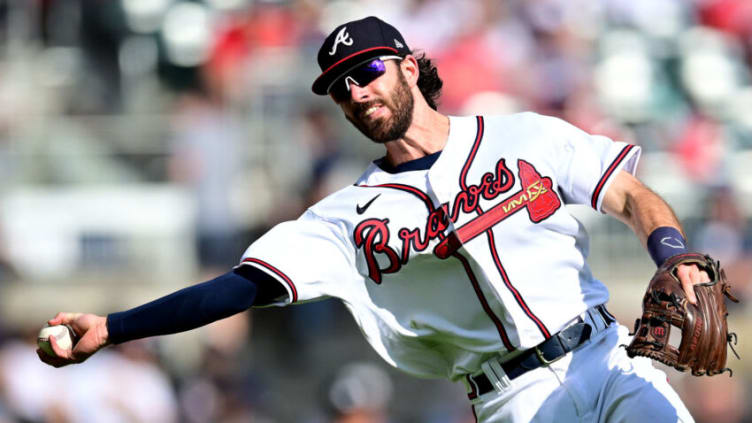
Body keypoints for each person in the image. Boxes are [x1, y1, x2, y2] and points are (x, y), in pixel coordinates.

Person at [38, 16, 707, 422]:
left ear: (411, 67)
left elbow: (627, 194)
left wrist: (672, 254)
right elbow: (237, 287)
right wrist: (115, 327)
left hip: (604, 353)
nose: (356, 90)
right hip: (513, 399)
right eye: (341, 85)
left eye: (369, 70)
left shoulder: (524, 135)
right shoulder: (345, 217)